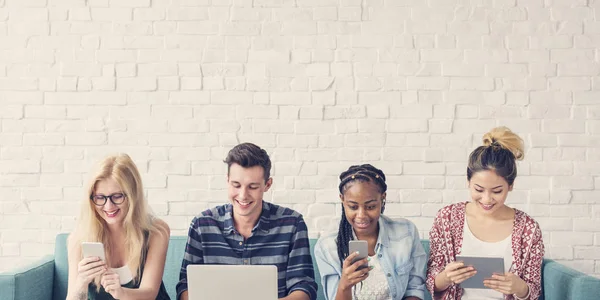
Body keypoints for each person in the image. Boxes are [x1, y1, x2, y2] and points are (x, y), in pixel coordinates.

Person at [176, 142, 317, 300]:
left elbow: (304, 287)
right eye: (236, 185)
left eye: (253, 187)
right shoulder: (202, 225)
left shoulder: (292, 224)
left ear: (267, 185)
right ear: (227, 181)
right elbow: (185, 287)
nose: (243, 195)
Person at [426, 127, 544, 300]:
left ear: (510, 186)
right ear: (468, 181)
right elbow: (431, 280)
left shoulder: (528, 229)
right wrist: (446, 277)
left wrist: (520, 288)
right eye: (479, 189)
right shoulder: (447, 219)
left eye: (497, 191)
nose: (487, 199)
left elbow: (533, 291)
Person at [66, 154, 171, 300]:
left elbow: (149, 293)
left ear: (133, 195)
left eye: (117, 196)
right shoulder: (78, 239)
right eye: (100, 198)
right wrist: (81, 283)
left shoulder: (156, 231)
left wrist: (121, 293)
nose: (108, 206)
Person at [314, 164, 427, 300]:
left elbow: (414, 289)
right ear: (342, 200)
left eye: (370, 206)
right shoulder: (327, 246)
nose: (361, 215)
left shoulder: (406, 233)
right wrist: (345, 284)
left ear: (383, 198)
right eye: (353, 207)